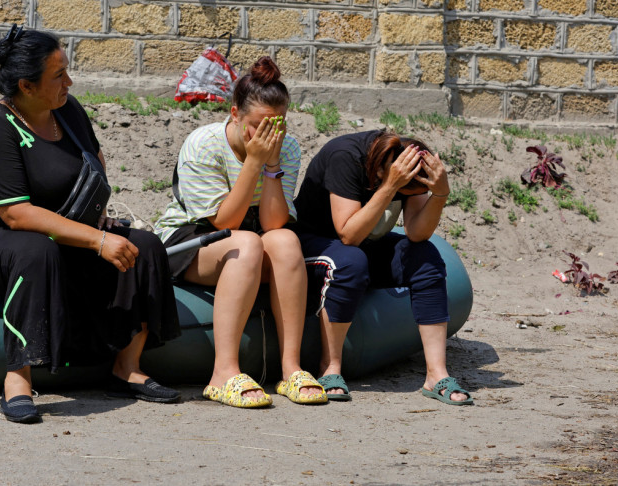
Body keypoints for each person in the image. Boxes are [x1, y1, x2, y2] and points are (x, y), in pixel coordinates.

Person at [0, 25, 181, 424]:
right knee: (37, 249)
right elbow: (16, 214)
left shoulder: (66, 111)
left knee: (146, 244)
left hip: (62, 229)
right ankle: (17, 379)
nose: (69, 81)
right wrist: (96, 239)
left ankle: (127, 367)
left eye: (67, 70)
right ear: (27, 86)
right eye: (59, 75)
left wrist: (98, 213)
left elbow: (95, 161)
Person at [154, 57, 327, 408]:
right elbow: (223, 223)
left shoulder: (287, 147)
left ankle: (290, 368)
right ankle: (223, 374)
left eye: (277, 126)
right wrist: (253, 161)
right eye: (257, 126)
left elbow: (274, 223)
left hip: (248, 238)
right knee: (246, 243)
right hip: (190, 239)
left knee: (286, 239)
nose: (267, 136)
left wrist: (272, 165)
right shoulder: (203, 145)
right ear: (234, 114)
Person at [290, 130, 474, 405]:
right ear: (381, 171)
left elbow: (416, 233)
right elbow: (348, 235)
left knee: (425, 257)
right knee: (351, 260)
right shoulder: (347, 156)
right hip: (315, 244)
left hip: (361, 245)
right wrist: (390, 187)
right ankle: (330, 367)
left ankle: (436, 375)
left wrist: (439, 193)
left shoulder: (407, 166)